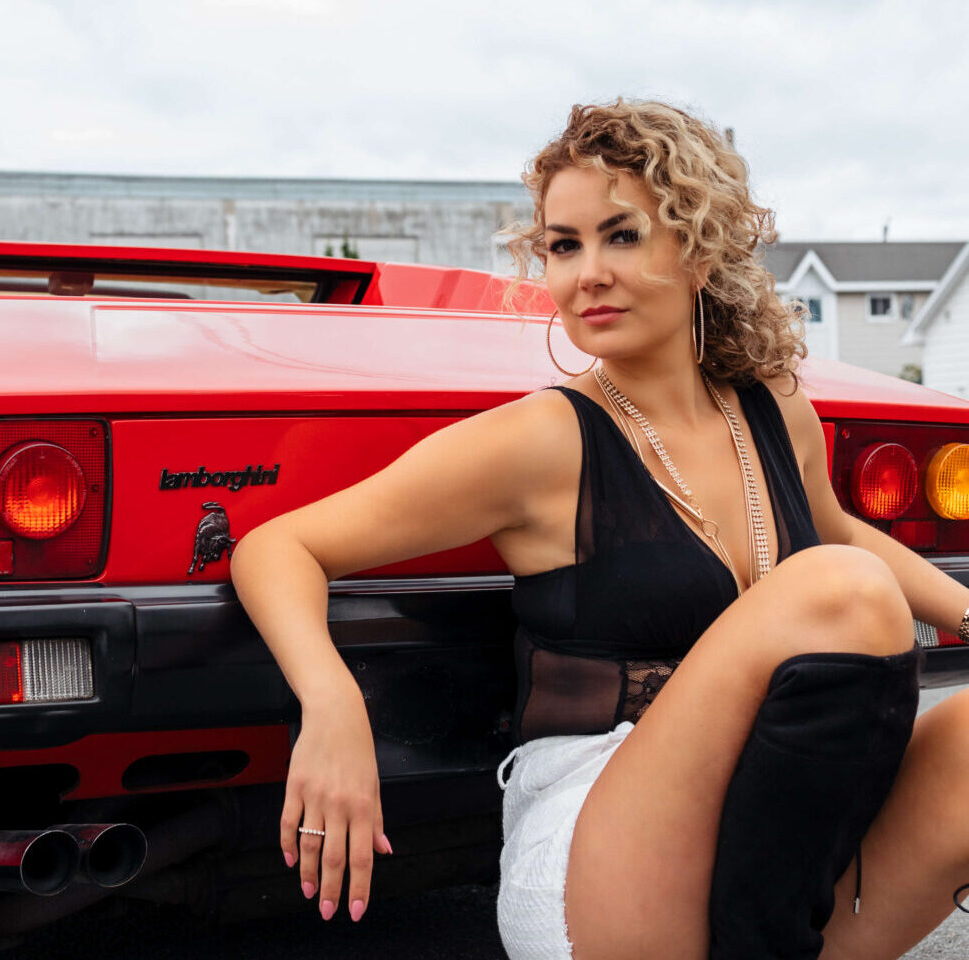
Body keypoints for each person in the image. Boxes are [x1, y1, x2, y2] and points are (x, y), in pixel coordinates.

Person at [229, 99, 969, 960]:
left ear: (698, 247)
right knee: (841, 592)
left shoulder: (773, 407)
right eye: (564, 245)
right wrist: (333, 707)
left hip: (771, 835)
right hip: (602, 832)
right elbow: (280, 546)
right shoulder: (542, 440)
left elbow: (833, 527)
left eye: (621, 236)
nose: (587, 274)